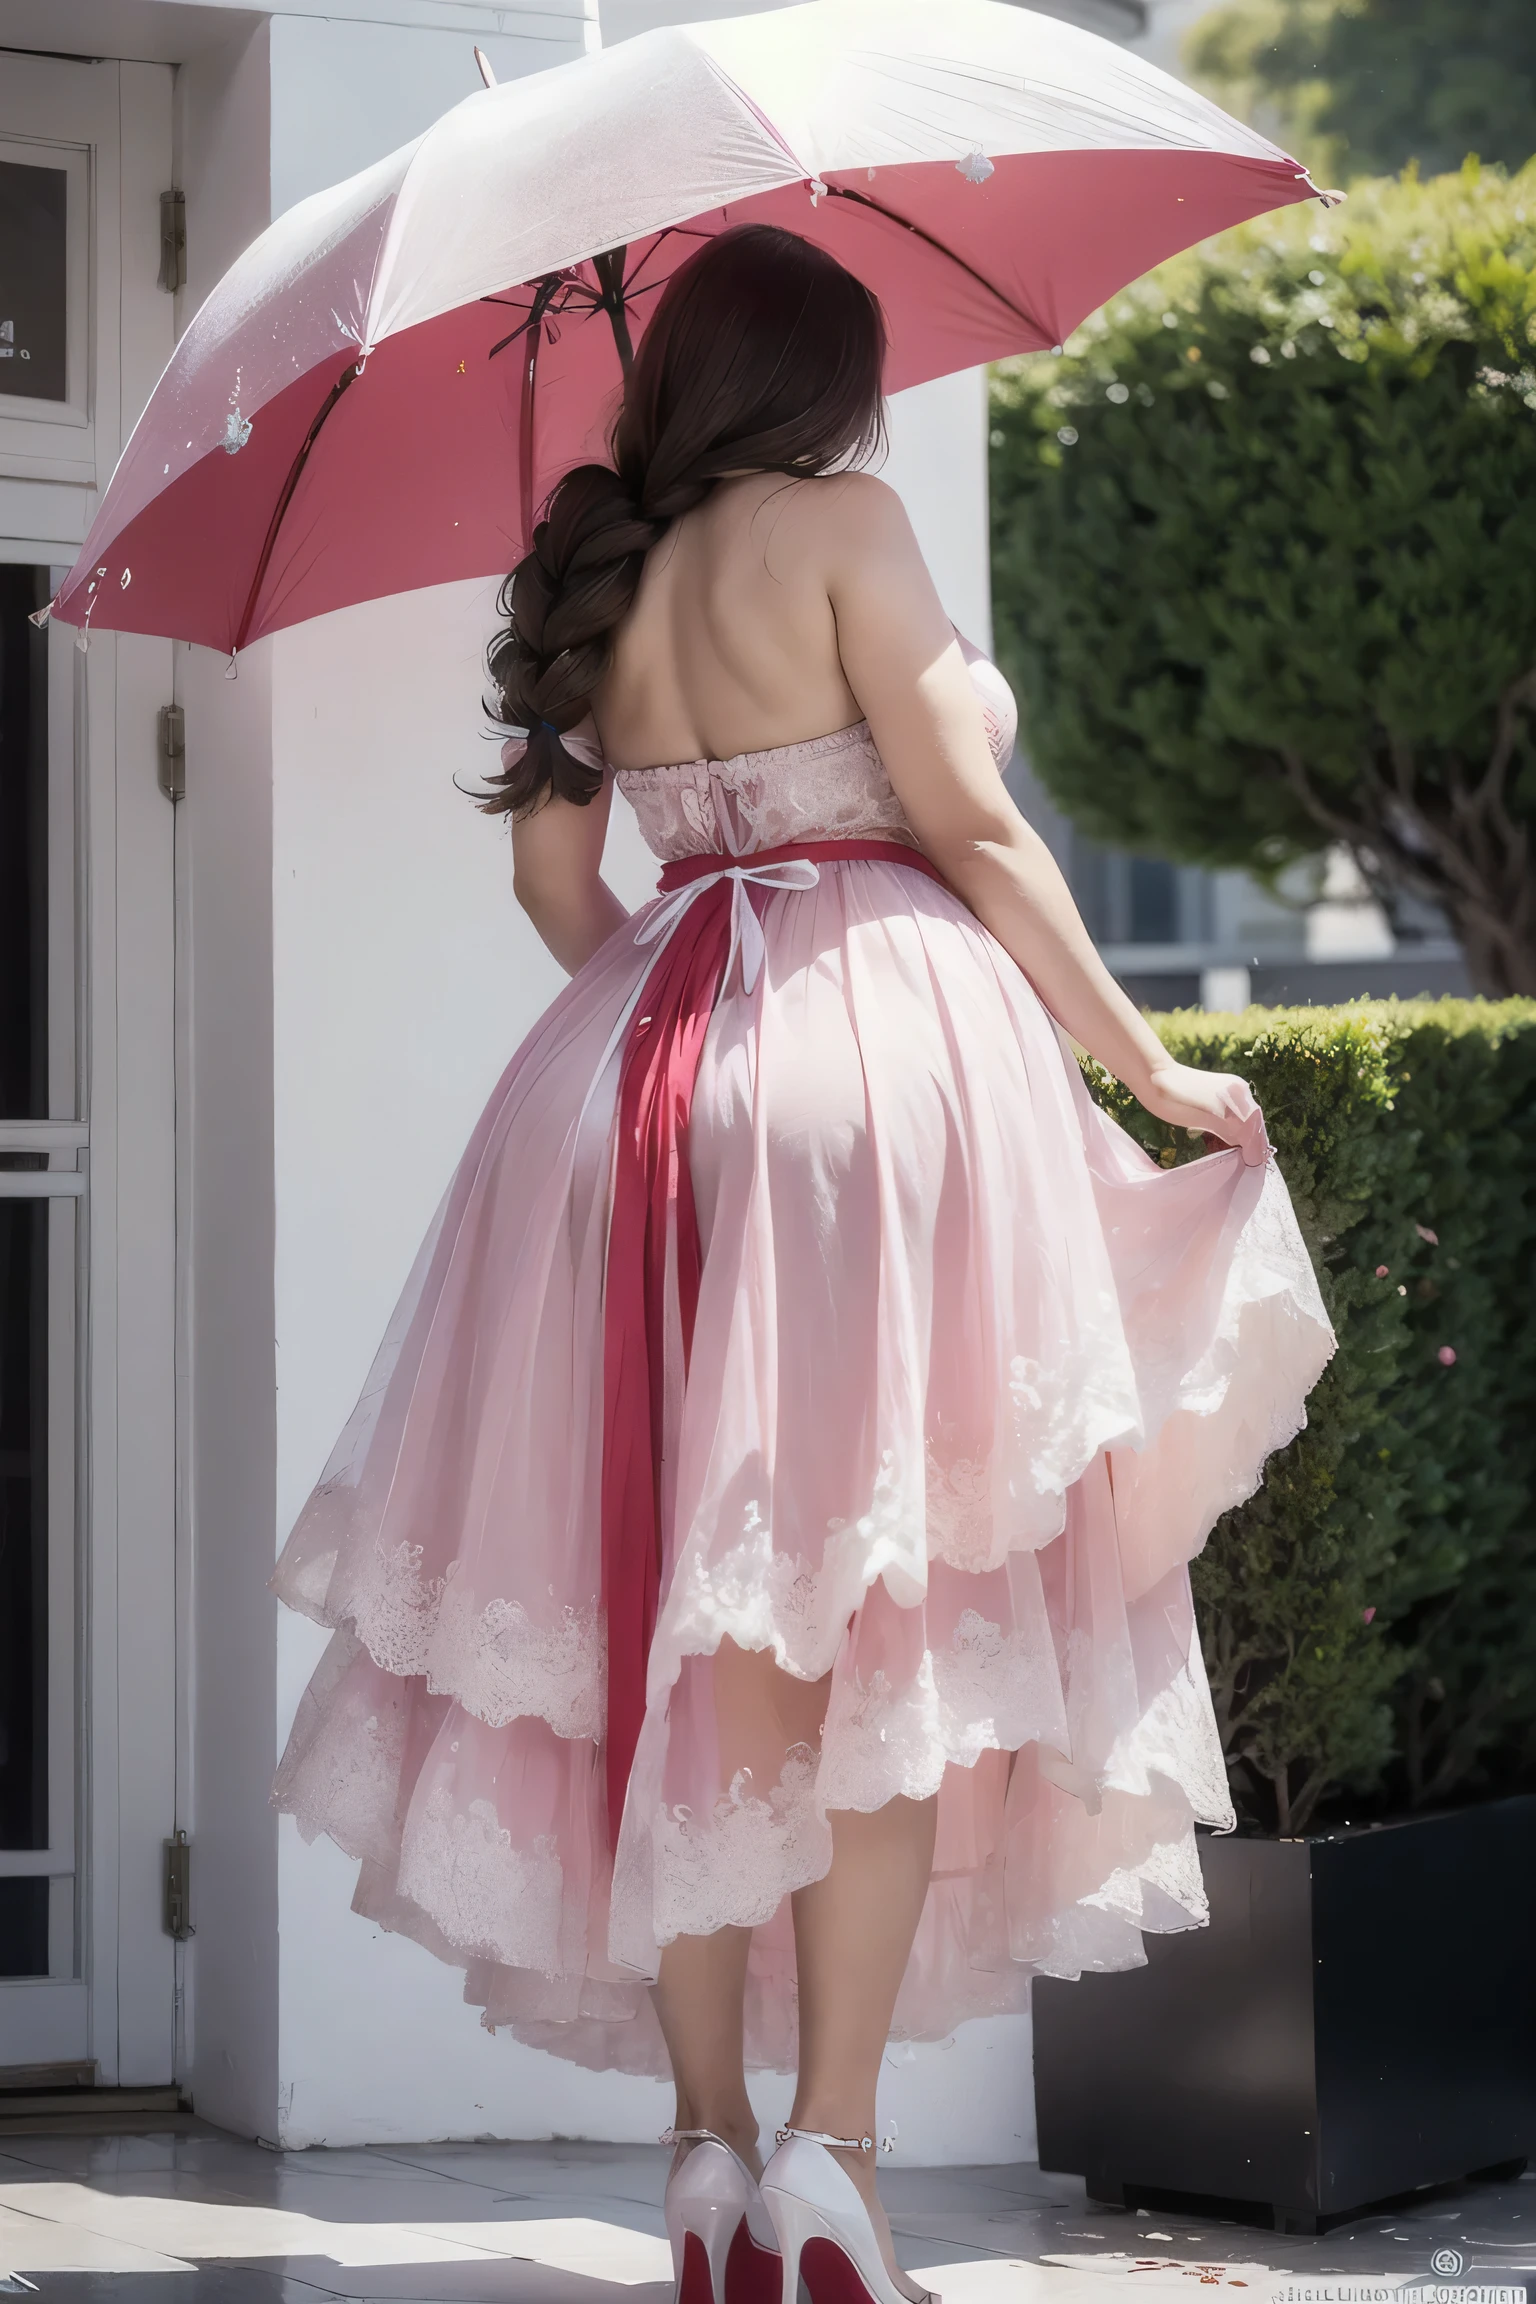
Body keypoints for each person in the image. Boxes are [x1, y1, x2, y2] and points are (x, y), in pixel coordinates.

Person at [271, 225, 1333, 2304]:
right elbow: (976, 821)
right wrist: (1143, 1061)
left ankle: (700, 2162)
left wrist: (668, 1016)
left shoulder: (603, 568)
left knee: (688, 1640)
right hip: (869, 1066)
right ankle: (831, 2163)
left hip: (619, 1092)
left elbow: (551, 868)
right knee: (888, 1639)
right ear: (816, 383)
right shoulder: (846, 523)